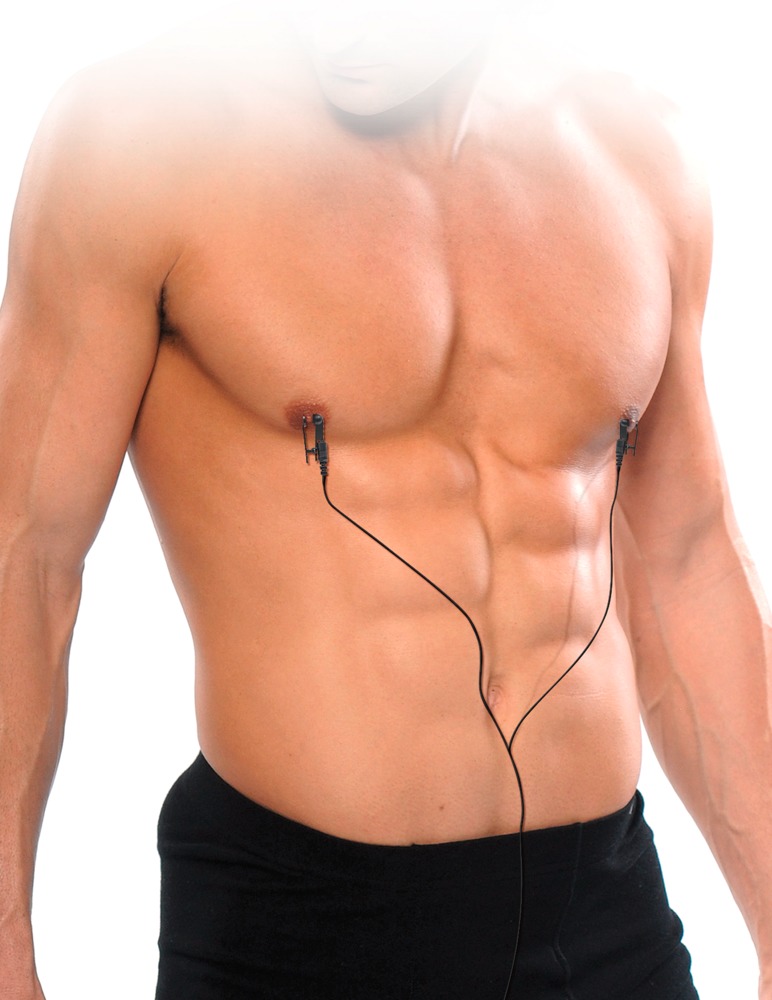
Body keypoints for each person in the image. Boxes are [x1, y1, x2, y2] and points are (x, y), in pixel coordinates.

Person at [0, 1, 769, 997]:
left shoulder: (633, 146)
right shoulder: (148, 137)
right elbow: (25, 559)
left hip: (605, 917)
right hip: (297, 928)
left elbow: (687, 555)